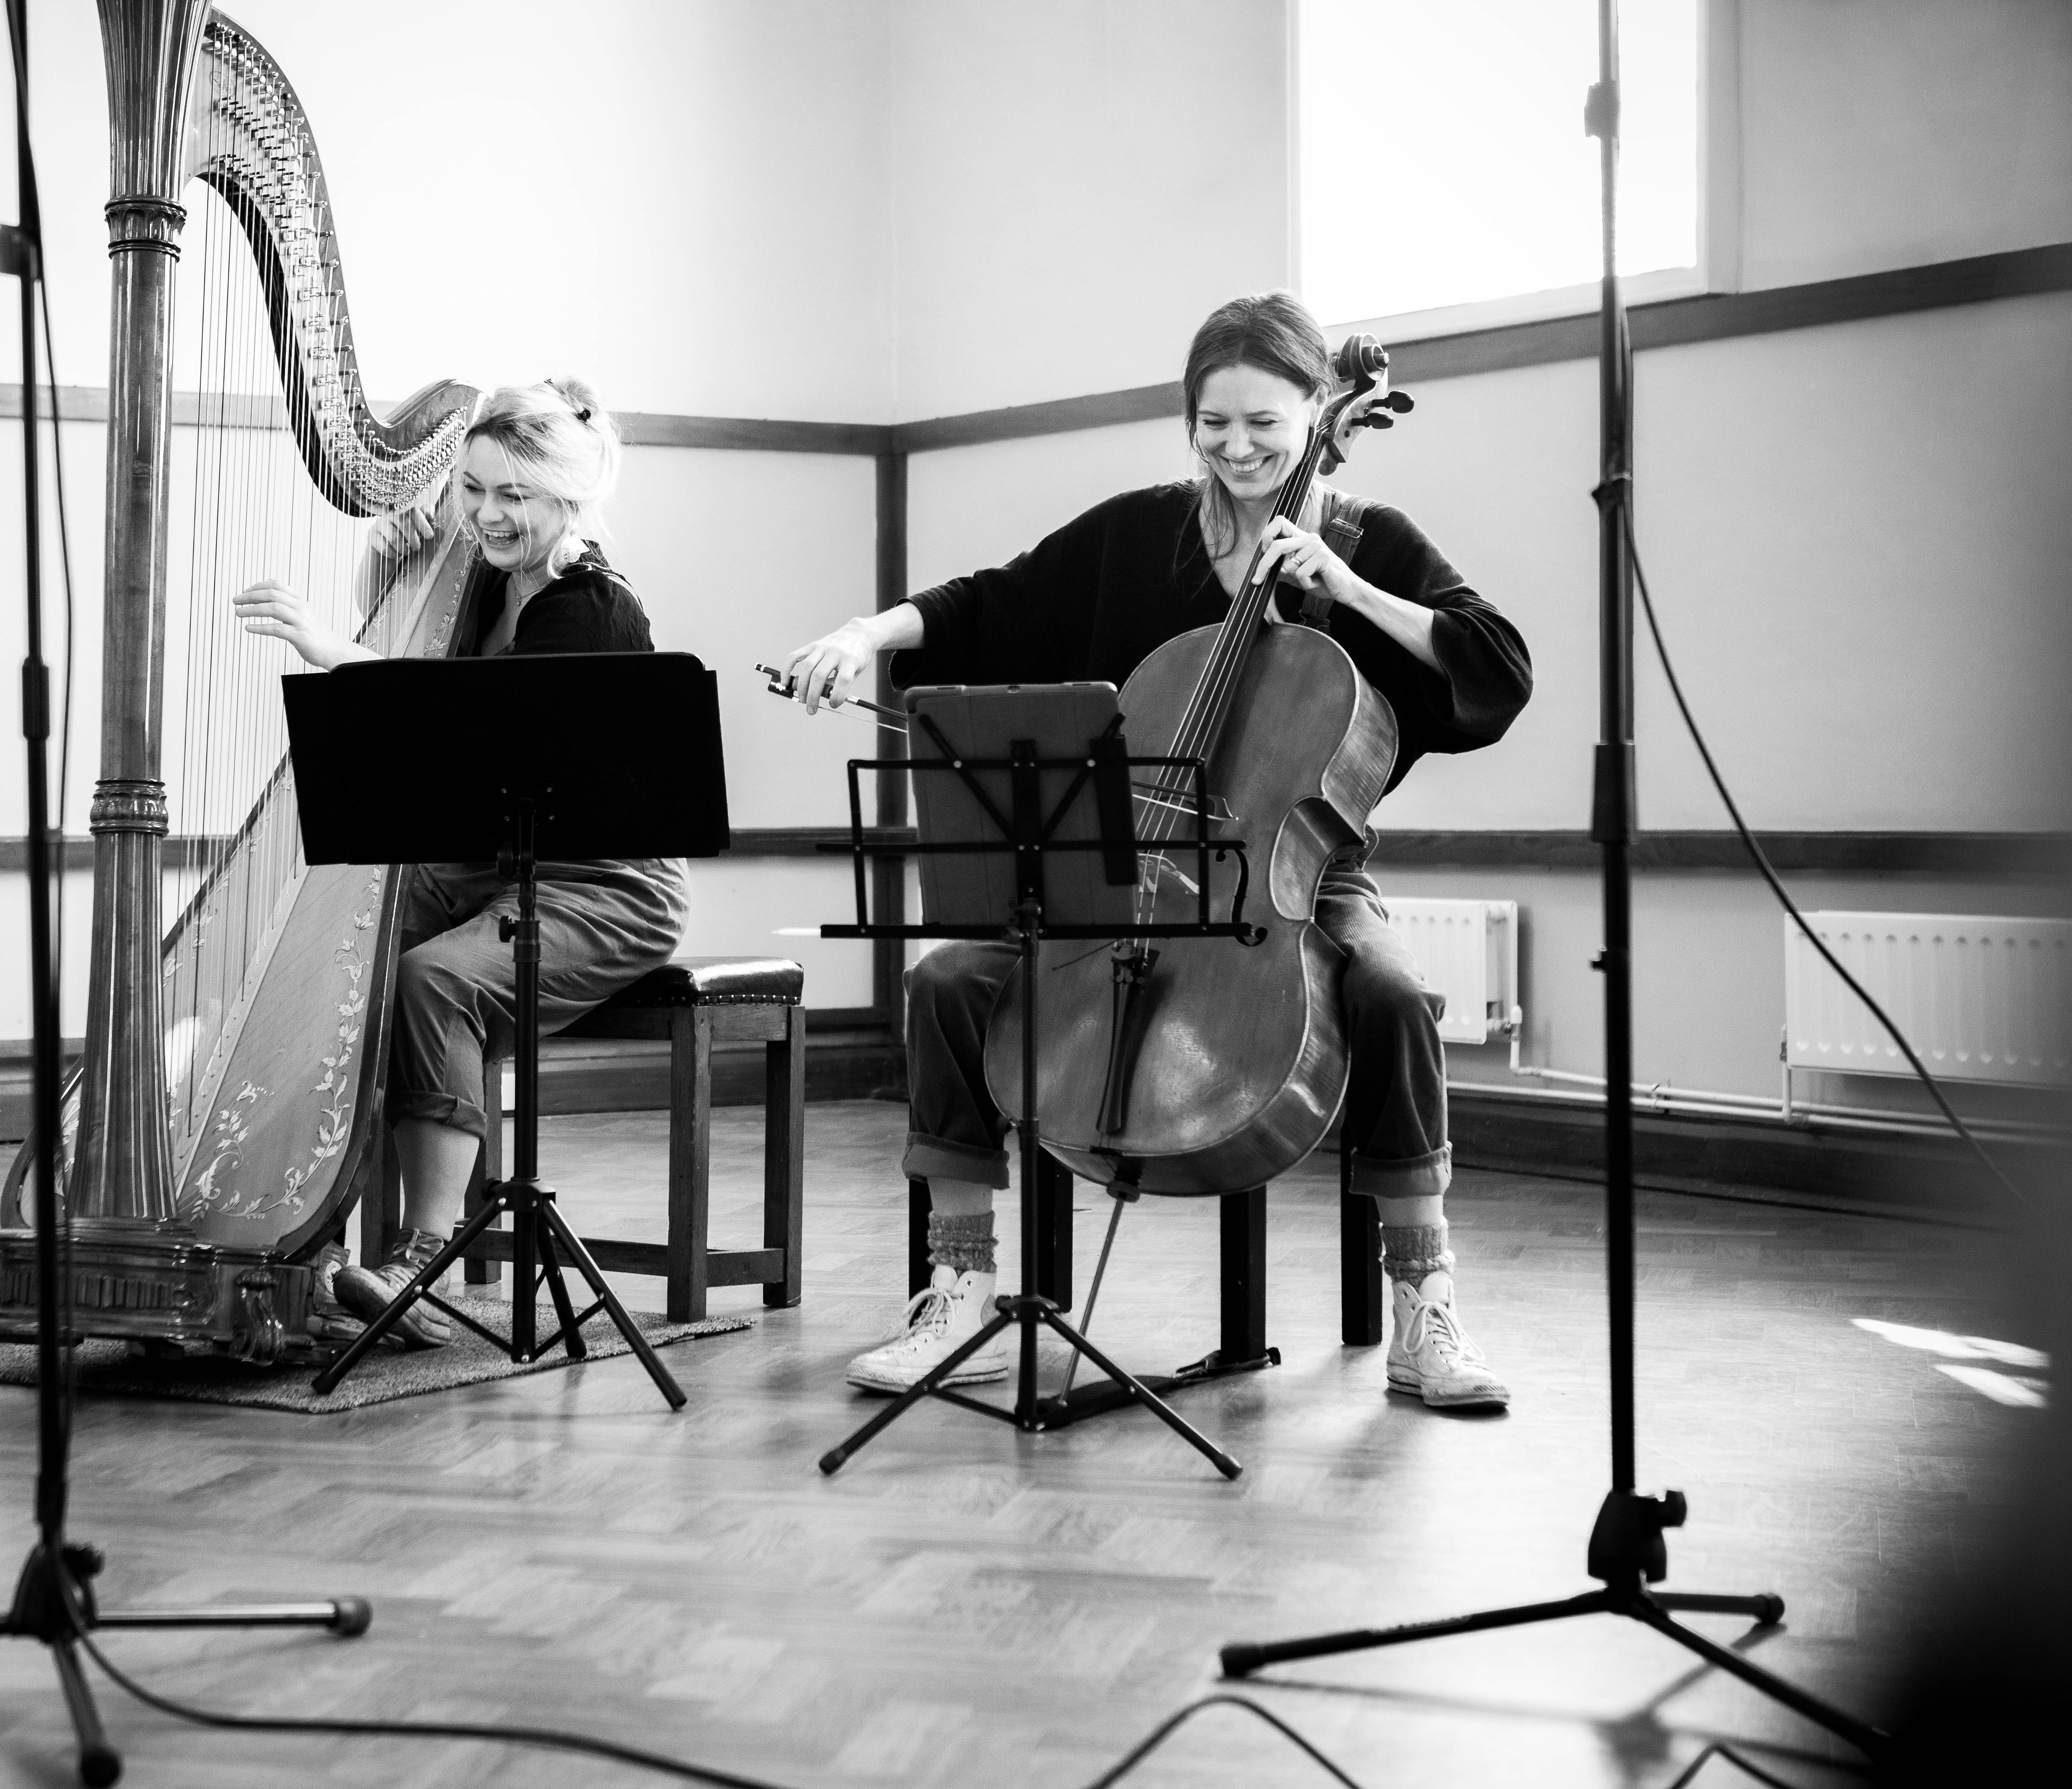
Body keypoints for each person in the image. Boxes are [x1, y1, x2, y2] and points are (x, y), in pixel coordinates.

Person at [777, 293, 1531, 1410]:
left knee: (1393, 995)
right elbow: (990, 600)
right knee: (945, 981)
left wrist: (1345, 585)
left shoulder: (1374, 543)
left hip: (1302, 877)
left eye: (1265, 425)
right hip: (1127, 871)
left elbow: (1496, 665)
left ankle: (1426, 1306)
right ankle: (962, 1288)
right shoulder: (1143, 533)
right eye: (1211, 424)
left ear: (1320, 411)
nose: (1236, 449)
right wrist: (863, 634)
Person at [235, 378, 688, 1347]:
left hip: (601, 882)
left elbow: (463, 726)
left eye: (513, 496)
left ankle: (422, 1256)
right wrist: (377, 570)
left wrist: (330, 648)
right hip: (493, 864)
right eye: (472, 489)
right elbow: (430, 664)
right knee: (331, 952)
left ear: (570, 497)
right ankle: (289, 1227)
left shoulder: (591, 610)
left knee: (432, 978)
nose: (486, 514)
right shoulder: (483, 571)